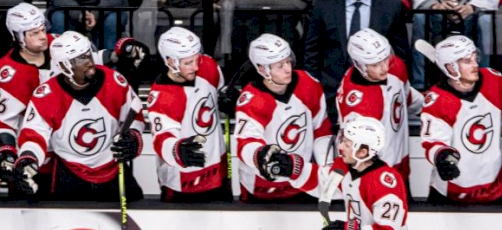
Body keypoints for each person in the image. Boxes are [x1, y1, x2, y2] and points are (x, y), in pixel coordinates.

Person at [0, 3, 148, 197]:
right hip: (37, 152)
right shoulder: (10, 72)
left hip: (64, 150)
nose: (42, 36)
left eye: (42, 29)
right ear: (18, 37)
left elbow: (90, 60)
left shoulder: (57, 44)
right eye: (34, 33)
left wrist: (120, 54)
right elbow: (5, 121)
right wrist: (9, 151)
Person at [420, 35, 502, 205]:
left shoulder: (494, 80)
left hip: (496, 188)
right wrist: (443, 158)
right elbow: (433, 143)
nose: (475, 64)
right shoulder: (438, 100)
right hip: (453, 193)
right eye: (467, 61)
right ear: (450, 67)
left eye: (475, 57)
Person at [234, 33, 334, 202]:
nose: (288, 68)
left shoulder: (308, 84)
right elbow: (244, 144)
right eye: (280, 66)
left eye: (288, 61)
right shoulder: (252, 100)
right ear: (263, 69)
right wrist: (260, 155)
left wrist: (326, 171)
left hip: (303, 182)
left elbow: (322, 130)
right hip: (263, 188)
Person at [147, 27, 231, 202]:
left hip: (219, 173)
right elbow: (162, 139)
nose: (195, 66)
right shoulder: (162, 96)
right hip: (182, 182)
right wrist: (176, 151)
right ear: (170, 62)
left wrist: (230, 101)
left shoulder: (207, 65)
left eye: (196, 59)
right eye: (188, 63)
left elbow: (222, 92)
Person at [337, 27, 423, 187]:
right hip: (378, 176)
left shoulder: (395, 65)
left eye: (385, 59)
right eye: (376, 64)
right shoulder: (361, 106)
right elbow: (357, 154)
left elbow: (406, 96)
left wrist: (430, 107)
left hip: (401, 164)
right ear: (360, 65)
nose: (384, 67)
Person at [303, 0, 410, 125]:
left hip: (378, 97)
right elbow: (312, 52)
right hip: (332, 94)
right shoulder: (324, 5)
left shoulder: (391, 5)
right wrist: (315, 89)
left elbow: (400, 53)